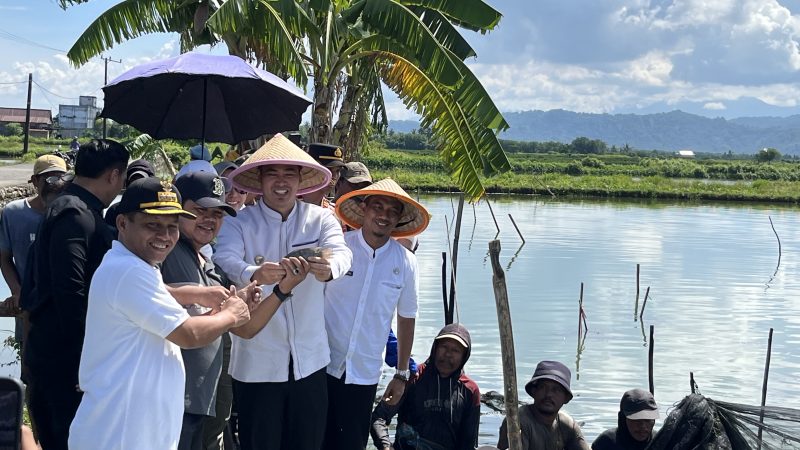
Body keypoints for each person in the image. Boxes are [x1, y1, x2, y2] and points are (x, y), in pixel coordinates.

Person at [68, 177, 251, 450]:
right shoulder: (129, 271)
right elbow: (188, 335)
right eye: (152, 225)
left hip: (136, 432)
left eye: (172, 227)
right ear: (122, 223)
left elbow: (162, 308)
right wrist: (231, 314)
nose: (164, 236)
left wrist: (201, 298)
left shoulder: (137, 265)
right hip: (120, 435)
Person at [213, 133, 353, 450]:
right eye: (272, 173)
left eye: (289, 173)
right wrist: (254, 273)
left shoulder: (320, 220)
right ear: (259, 179)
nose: (281, 182)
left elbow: (342, 253)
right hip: (256, 364)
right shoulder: (241, 222)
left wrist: (329, 269)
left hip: (310, 361)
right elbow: (225, 257)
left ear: (301, 179)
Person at [25, 139, 129, 450]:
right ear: (113, 175)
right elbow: (70, 291)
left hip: (63, 354)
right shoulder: (74, 213)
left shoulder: (74, 206)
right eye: (122, 178)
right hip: (64, 359)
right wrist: (88, 357)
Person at [323, 178, 430, 449]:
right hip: (320, 364)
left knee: (352, 443)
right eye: (377, 207)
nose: (383, 215)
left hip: (365, 372)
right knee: (312, 440)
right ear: (364, 209)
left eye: (392, 211)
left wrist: (401, 373)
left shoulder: (406, 263)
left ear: (399, 219)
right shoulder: (339, 248)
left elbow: (406, 318)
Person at [161, 171, 242, 450]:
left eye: (217, 214)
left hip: (202, 398)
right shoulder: (166, 250)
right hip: (174, 397)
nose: (210, 220)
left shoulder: (207, 261)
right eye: (200, 211)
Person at [370, 323, 481, 450]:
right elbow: (378, 418)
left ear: (464, 356)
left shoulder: (471, 391)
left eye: (455, 350)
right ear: (435, 348)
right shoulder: (411, 378)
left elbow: (467, 444)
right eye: (444, 347)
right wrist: (386, 447)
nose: (448, 354)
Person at [0, 155, 66, 325]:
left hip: (64, 308)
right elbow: (4, 258)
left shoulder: (73, 214)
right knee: (28, 349)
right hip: (27, 308)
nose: (56, 184)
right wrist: (17, 291)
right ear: (35, 181)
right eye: (50, 178)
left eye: (62, 178)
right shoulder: (13, 213)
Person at [497, 361, 590, 450]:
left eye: (556, 390)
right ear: (534, 391)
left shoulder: (567, 424)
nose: (549, 394)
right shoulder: (518, 421)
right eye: (543, 387)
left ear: (565, 398)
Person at [592, 389, 658, 450]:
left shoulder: (660, 442)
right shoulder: (606, 443)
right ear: (623, 419)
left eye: (648, 420)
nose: (642, 426)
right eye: (636, 420)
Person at [104, 158, 156, 227]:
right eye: (134, 181)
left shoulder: (160, 210)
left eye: (142, 182)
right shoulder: (115, 211)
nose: (138, 186)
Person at [303, 143, 345, 207]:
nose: (334, 176)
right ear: (310, 169)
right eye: (328, 169)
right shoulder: (288, 206)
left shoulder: (332, 212)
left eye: (338, 171)